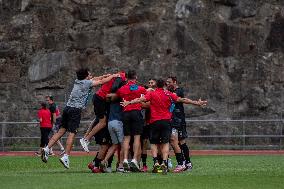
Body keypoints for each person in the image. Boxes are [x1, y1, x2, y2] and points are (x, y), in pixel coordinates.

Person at [121, 78, 207, 174]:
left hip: (154, 122)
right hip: (166, 122)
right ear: (164, 85)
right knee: (165, 143)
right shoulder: (168, 94)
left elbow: (140, 99)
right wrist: (196, 103)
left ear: (156, 85)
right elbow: (182, 99)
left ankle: (156, 162)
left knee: (154, 143)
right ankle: (165, 163)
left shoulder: (152, 93)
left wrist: (128, 102)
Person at [41, 68, 119, 169]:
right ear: (86, 76)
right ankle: (66, 156)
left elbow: (96, 79)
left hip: (67, 108)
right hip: (75, 110)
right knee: (72, 133)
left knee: (61, 131)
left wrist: (104, 76)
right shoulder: (87, 83)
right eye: (89, 74)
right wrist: (113, 76)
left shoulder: (78, 81)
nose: (91, 76)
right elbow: (100, 82)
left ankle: (47, 149)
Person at [109, 70, 146, 172]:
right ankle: (134, 159)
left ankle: (125, 159)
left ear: (126, 78)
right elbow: (146, 97)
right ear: (135, 77)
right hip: (136, 113)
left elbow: (115, 96)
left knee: (126, 138)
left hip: (125, 114)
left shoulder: (121, 89)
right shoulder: (141, 89)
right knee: (137, 137)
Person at [80, 72, 126, 153]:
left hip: (98, 97)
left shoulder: (115, 75)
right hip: (100, 99)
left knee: (97, 118)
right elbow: (114, 87)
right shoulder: (122, 77)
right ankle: (86, 139)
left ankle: (85, 137)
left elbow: (103, 81)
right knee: (102, 123)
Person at [166, 76, 200, 171]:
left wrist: (196, 103)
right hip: (172, 120)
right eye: (167, 82)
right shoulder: (170, 92)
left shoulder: (178, 91)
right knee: (173, 141)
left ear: (175, 82)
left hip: (179, 120)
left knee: (181, 142)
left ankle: (187, 162)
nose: (167, 84)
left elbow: (181, 99)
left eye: (169, 82)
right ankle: (181, 162)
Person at [141, 78, 157, 172]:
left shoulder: (157, 94)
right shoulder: (146, 94)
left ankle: (162, 162)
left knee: (156, 144)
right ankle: (144, 165)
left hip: (154, 122)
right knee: (144, 144)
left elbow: (147, 105)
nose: (150, 84)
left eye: (152, 82)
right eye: (149, 83)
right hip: (146, 123)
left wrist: (138, 102)